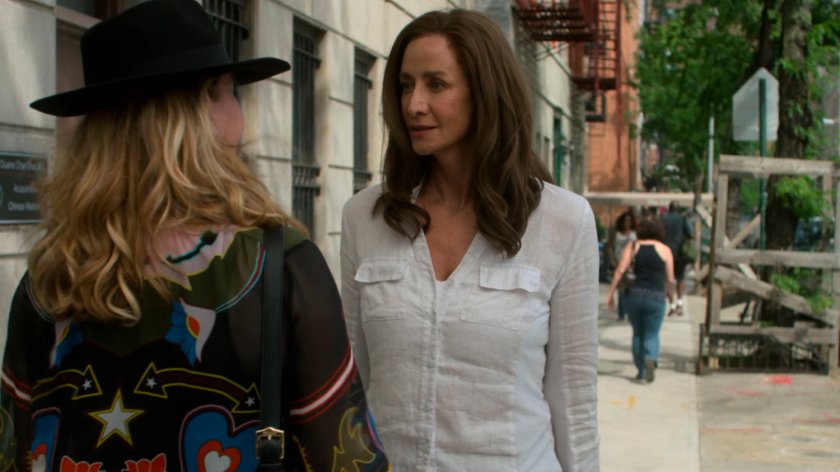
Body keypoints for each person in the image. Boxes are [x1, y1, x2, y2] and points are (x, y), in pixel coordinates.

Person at [0, 1, 388, 470]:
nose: (241, 124)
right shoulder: (278, 267)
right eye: (227, 92)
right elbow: (348, 458)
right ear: (195, 110)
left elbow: (12, 448)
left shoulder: (47, 279)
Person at [340, 9, 599, 471]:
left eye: (436, 85)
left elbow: (574, 399)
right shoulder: (366, 217)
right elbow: (351, 380)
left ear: (485, 93)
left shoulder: (563, 220)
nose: (413, 104)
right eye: (405, 85)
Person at [606, 218, 675, 384]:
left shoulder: (633, 246)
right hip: (656, 296)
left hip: (634, 295)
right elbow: (670, 279)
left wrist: (610, 295)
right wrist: (672, 300)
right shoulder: (665, 250)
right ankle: (650, 358)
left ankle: (641, 370)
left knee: (638, 333)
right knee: (652, 333)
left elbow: (620, 271)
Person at [662, 202, 693, 315]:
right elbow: (690, 233)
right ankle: (680, 304)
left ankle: (672, 305)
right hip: (680, 252)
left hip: (666, 251)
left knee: (668, 279)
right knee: (680, 278)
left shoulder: (663, 219)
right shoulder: (683, 219)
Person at [606, 210, 637, 320]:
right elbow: (609, 247)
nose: (627, 223)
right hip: (618, 263)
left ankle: (630, 313)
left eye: (629, 221)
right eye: (625, 221)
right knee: (621, 289)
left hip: (631, 265)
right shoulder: (616, 233)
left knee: (631, 289)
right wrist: (612, 260)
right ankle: (621, 313)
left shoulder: (634, 234)